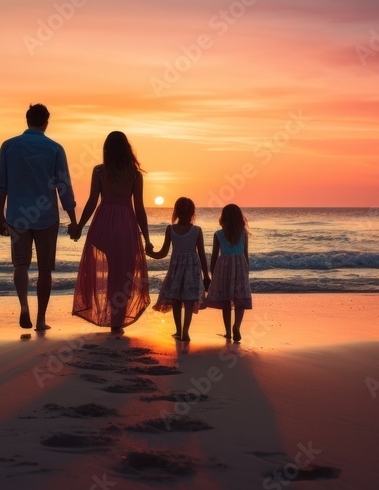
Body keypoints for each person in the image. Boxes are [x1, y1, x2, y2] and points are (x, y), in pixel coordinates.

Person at [0, 104, 77, 331]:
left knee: (20, 265)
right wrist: (73, 218)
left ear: (27, 120)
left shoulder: (9, 146)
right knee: (44, 269)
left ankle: (23, 306)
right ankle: (40, 319)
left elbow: (2, 186)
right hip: (47, 217)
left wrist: (0, 216)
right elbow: (64, 187)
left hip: (17, 215)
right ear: (46, 122)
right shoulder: (55, 149)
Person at [69, 131, 151, 335]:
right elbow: (139, 208)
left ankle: (103, 312)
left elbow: (91, 201)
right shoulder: (134, 174)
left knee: (99, 268)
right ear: (127, 150)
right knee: (123, 275)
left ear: (106, 149)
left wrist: (79, 226)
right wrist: (147, 237)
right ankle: (117, 320)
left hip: (104, 222)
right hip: (125, 224)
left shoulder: (99, 171)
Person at [147, 197, 210, 342]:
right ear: (192, 212)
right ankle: (186, 331)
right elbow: (201, 254)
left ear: (176, 211)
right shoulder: (196, 230)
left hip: (176, 269)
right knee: (189, 300)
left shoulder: (171, 229)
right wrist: (206, 275)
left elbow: (163, 253)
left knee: (175, 299)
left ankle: (178, 330)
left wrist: (150, 253)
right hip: (193, 269)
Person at [204, 204, 252, 342]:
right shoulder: (243, 232)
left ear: (223, 217)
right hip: (240, 266)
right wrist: (246, 270)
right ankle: (236, 326)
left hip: (224, 267)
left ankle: (228, 332)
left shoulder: (218, 234)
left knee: (226, 299)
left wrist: (213, 273)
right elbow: (245, 253)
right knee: (240, 299)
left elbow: (214, 255)